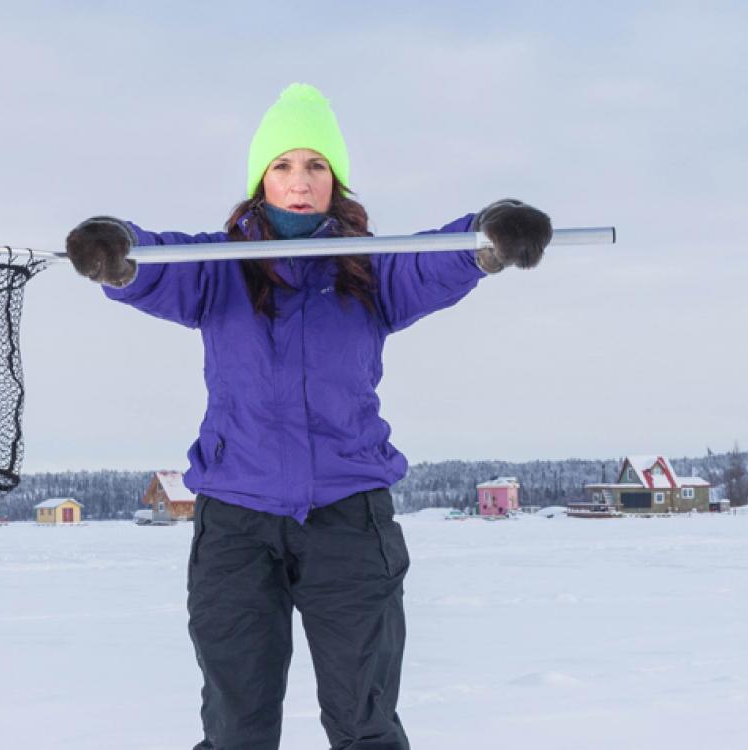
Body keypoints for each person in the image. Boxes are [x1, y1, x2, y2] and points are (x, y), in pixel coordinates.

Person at [66, 83, 551, 750]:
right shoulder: (217, 268)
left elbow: (436, 260)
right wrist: (115, 253)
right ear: (261, 179)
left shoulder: (369, 271)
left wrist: (488, 235)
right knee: (236, 729)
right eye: (284, 166)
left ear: (336, 180)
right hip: (236, 524)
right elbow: (152, 265)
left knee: (365, 725)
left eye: (316, 165)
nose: (299, 182)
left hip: (348, 520)